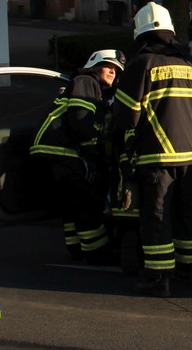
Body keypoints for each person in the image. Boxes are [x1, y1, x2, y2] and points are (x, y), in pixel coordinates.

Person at [113, 2, 192, 296]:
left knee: (156, 218)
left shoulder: (142, 64)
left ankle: (157, 277)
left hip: (155, 157)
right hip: (189, 158)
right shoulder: (190, 63)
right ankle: (188, 270)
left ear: (140, 33)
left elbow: (127, 115)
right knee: (186, 215)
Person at [29, 49, 125, 262]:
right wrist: (91, 153)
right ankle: (96, 252)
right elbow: (80, 119)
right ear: (95, 66)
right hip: (62, 150)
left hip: (54, 149)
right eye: (109, 67)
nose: (113, 72)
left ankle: (77, 248)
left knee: (72, 203)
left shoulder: (93, 88)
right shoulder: (86, 81)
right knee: (86, 201)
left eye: (117, 70)